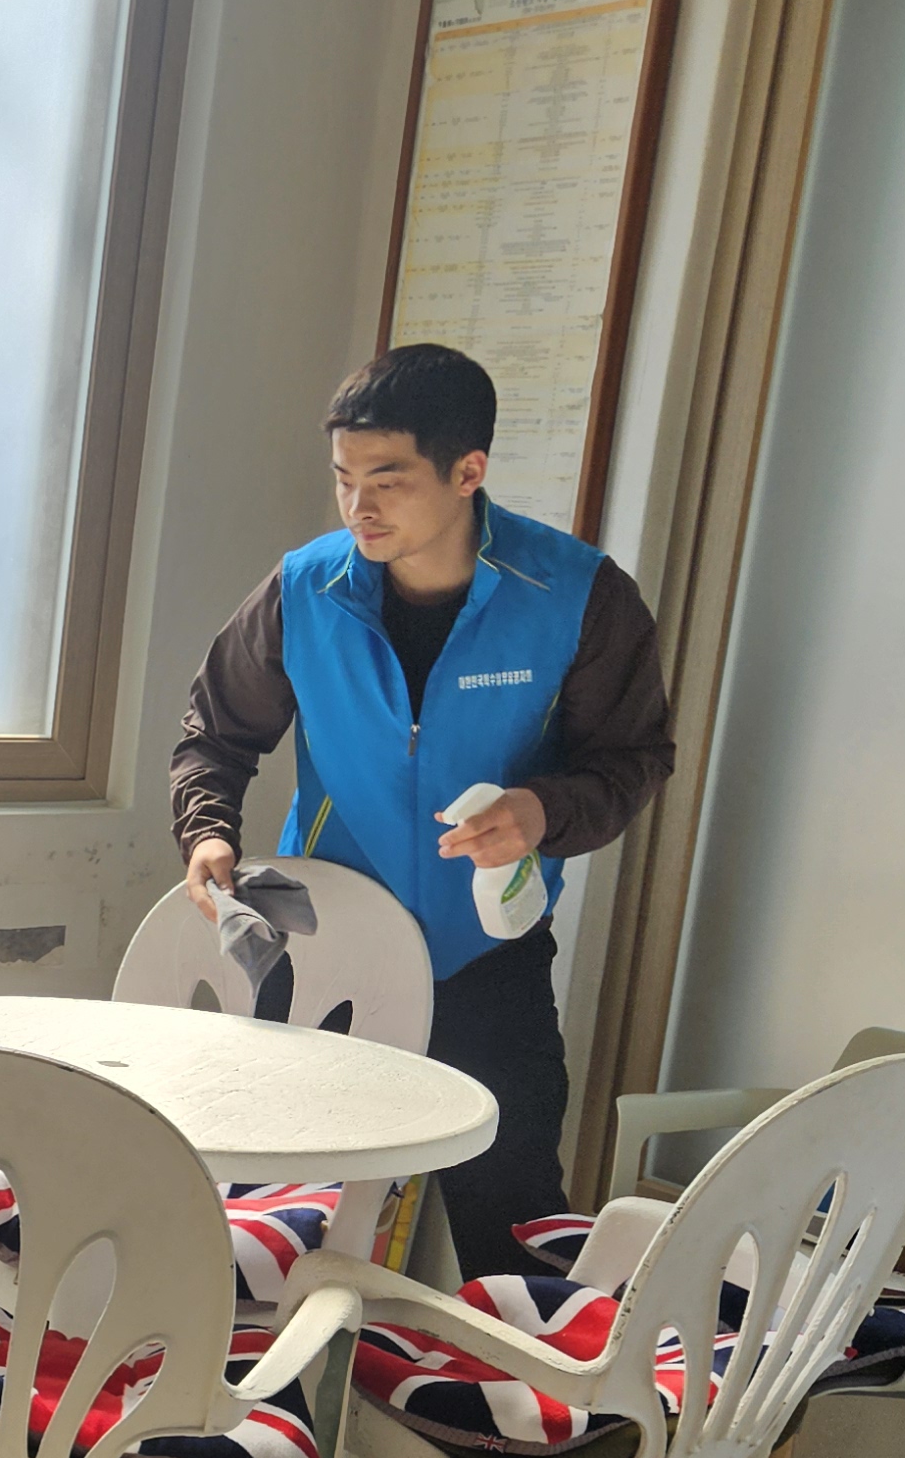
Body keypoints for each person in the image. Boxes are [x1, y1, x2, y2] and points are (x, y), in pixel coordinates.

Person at [170, 342, 673, 1278]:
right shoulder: (304, 589)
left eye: (388, 481)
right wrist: (208, 833)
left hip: (486, 959)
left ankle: (494, 1376)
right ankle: (272, 1376)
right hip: (319, 947)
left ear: (467, 472)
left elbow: (634, 758)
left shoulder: (579, 596)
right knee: (271, 1225)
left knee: (514, 1230)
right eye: (344, 479)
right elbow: (215, 735)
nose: (358, 507)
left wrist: (543, 810)